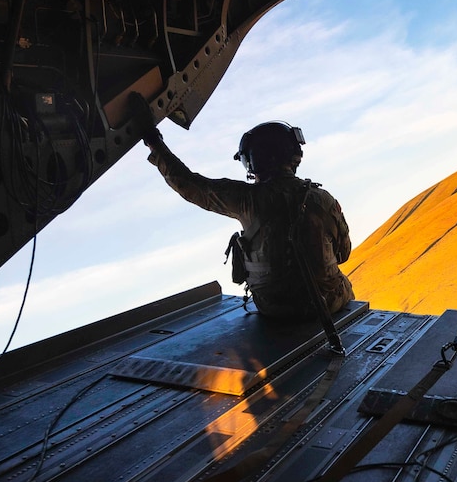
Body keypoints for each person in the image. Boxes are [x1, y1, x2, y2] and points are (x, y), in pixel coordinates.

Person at [139, 107, 354, 321]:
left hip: (275, 309)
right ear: (293, 154)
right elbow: (344, 254)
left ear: (252, 161)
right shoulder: (323, 199)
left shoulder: (246, 199)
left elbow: (188, 184)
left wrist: (154, 141)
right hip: (329, 303)